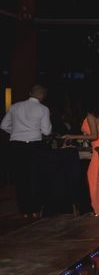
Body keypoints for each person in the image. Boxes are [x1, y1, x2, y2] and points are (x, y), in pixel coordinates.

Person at [1, 85, 52, 218]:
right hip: (34, 145)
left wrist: (17, 132)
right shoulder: (43, 109)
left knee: (20, 178)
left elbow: (3, 125)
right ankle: (35, 209)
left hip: (16, 145)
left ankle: (24, 211)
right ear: (43, 96)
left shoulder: (15, 106)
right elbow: (47, 131)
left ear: (30, 93)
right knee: (35, 177)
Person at [63, 100, 99, 216]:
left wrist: (72, 136)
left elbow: (94, 136)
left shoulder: (90, 116)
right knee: (96, 179)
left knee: (92, 179)